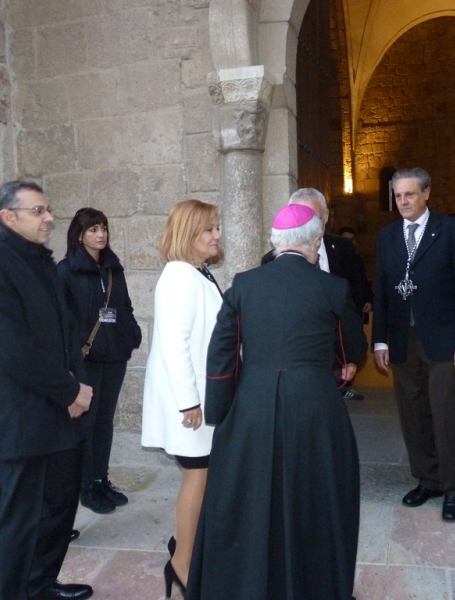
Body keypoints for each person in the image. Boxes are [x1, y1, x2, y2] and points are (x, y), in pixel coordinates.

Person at [187, 203, 367, 600]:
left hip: (252, 406)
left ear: (276, 242)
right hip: (315, 407)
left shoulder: (244, 284)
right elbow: (352, 347)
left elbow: (222, 354)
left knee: (251, 504)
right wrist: (337, 368)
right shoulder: (333, 288)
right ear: (315, 242)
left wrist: (222, 412)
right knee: (317, 501)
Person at [0, 180, 94, 600]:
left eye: (48, 209)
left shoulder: (43, 264)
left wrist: (80, 386)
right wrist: (70, 392)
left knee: (59, 508)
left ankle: (40, 584)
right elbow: (14, 349)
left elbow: (68, 333)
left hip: (61, 411)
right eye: (38, 211)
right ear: (8, 218)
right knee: (17, 520)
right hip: (23, 416)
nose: (49, 218)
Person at [373, 167, 455, 523]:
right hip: (402, 338)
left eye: (410, 194)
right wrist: (380, 339)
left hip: (444, 337)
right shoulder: (386, 236)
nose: (403, 201)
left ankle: (453, 488)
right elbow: (382, 290)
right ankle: (427, 479)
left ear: (426, 193)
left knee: (445, 412)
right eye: (398, 195)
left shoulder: (451, 230)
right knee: (412, 412)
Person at [141, 199, 223, 596]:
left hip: (201, 397)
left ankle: (186, 548)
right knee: (198, 475)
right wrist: (189, 402)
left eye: (217, 227)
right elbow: (175, 344)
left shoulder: (197, 273)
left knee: (203, 476)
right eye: (208, 229)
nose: (216, 235)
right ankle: (182, 565)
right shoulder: (178, 275)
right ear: (188, 234)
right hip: (189, 401)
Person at [58, 208, 142, 514]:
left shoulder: (112, 268)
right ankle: (87, 487)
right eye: (93, 229)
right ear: (79, 234)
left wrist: (132, 335)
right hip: (86, 359)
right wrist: (73, 355)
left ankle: (101, 478)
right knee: (87, 423)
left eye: (104, 228)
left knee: (104, 422)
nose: (100, 234)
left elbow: (126, 306)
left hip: (115, 355)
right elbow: (62, 320)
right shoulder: (66, 271)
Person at [263, 188, 366, 400]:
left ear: (326, 217)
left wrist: (351, 356)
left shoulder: (344, 249)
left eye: (313, 217)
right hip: (292, 357)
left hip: (334, 355)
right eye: (300, 216)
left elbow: (352, 304)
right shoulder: (270, 260)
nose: (306, 225)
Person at [338, 226, 374, 321]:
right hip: (341, 307)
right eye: (347, 240)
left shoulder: (358, 259)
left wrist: (369, 300)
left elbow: (363, 281)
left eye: (352, 240)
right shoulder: (335, 259)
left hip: (357, 308)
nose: (350, 243)